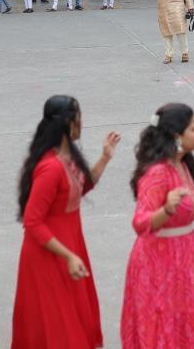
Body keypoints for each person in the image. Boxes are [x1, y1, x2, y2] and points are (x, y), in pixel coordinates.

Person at [12, 95, 121, 348]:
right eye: (78, 117)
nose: (82, 123)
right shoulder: (50, 167)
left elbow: (79, 188)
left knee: (69, 320)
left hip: (68, 246)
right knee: (57, 326)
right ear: (68, 122)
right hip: (49, 254)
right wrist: (68, 256)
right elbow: (32, 222)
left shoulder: (67, 155)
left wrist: (105, 157)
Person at [121, 103, 194, 349]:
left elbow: (186, 212)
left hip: (184, 258)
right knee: (163, 323)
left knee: (184, 320)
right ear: (177, 136)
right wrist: (165, 210)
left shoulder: (183, 165)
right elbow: (140, 222)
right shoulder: (157, 173)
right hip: (158, 262)